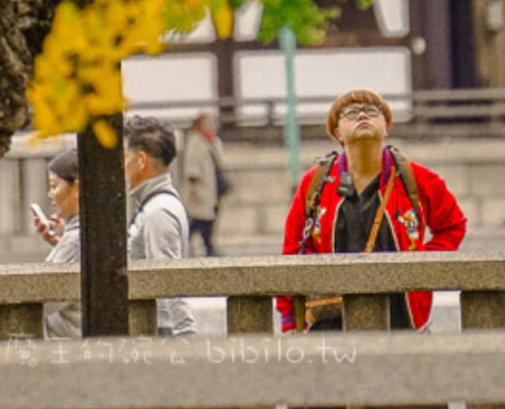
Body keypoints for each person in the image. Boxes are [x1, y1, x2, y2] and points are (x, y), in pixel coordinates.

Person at [276, 88, 465, 332]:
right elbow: (292, 247)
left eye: (373, 112)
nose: (363, 116)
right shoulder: (317, 182)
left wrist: (422, 263)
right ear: (337, 133)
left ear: (386, 128)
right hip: (330, 316)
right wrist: (289, 316)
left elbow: (453, 226)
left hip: (402, 314)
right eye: (351, 113)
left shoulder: (415, 177)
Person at [123, 118, 197, 334]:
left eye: (125, 156)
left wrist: (185, 338)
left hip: (159, 328)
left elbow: (169, 282)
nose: (122, 164)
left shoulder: (158, 211)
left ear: (141, 160)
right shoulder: (154, 204)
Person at [31, 146, 83, 339]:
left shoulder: (76, 241)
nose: (50, 194)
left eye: (54, 186)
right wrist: (61, 241)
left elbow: (43, 299)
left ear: (76, 188)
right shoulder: (81, 235)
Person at [176, 108, 229, 256]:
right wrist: (193, 185)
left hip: (213, 185)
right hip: (201, 186)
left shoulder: (213, 141)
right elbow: (192, 164)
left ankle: (208, 245)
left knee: (208, 217)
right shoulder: (195, 141)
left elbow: (220, 161)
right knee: (200, 218)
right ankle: (202, 245)